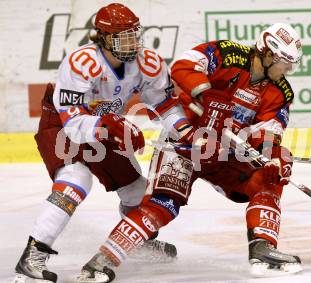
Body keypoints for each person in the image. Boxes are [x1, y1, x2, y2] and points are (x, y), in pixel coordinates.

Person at [78, 22, 303, 282]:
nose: (288, 69)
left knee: (269, 177)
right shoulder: (228, 54)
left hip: (223, 153)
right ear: (266, 53)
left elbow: (268, 133)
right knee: (164, 204)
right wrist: (207, 95)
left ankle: (263, 248)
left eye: (291, 64)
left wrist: (271, 156)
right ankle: (101, 261)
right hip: (184, 140)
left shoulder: (281, 92)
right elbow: (183, 66)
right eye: (284, 62)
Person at [13, 3, 192, 283]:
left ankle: (139, 241)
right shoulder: (82, 63)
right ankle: (33, 255)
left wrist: (185, 132)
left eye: (135, 35)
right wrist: (110, 127)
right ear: (105, 38)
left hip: (104, 126)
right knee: (76, 180)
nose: (132, 43)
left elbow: (165, 104)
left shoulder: (148, 63)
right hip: (61, 125)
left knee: (137, 190)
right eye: (124, 37)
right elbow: (73, 125)